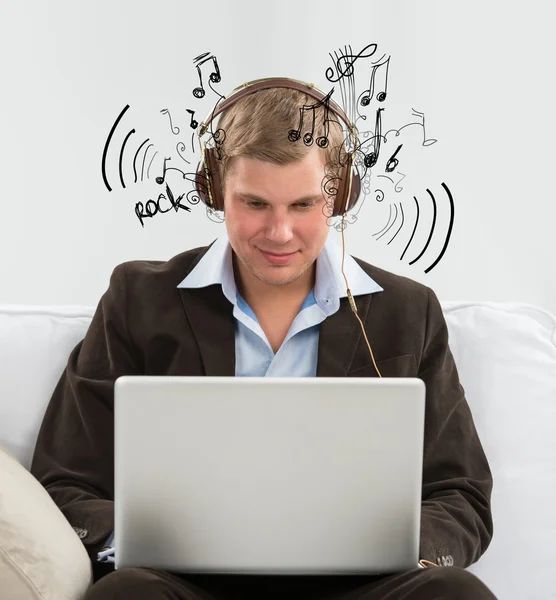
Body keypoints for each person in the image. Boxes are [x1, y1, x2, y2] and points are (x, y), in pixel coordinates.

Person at [30, 79, 497, 599]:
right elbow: (65, 480)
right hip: (185, 586)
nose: (279, 232)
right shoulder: (138, 299)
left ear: (339, 195)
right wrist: (141, 538)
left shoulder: (408, 312)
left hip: (360, 588)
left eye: (303, 205)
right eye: (254, 203)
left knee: (456, 594)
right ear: (215, 189)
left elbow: (460, 493)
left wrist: (407, 548)